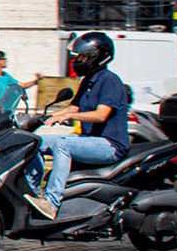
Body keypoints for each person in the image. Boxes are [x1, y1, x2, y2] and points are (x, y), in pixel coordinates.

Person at [29, 32, 130, 219]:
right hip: (89, 140)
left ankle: (51, 202)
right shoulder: (88, 81)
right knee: (34, 142)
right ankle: (32, 192)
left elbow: (101, 115)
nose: (78, 60)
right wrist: (42, 117)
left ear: (97, 57)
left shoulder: (110, 80)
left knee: (62, 144)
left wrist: (68, 116)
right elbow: (74, 107)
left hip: (109, 145)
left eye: (82, 56)